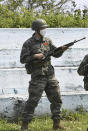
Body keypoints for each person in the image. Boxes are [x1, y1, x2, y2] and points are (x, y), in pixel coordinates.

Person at [20, 19, 68, 131]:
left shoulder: (47, 41)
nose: (44, 30)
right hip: (38, 76)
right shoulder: (28, 43)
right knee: (33, 101)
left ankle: (57, 123)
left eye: (44, 28)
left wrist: (62, 50)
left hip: (50, 75)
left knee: (57, 99)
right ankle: (25, 125)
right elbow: (23, 59)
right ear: (37, 29)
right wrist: (34, 56)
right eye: (42, 28)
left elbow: (55, 53)